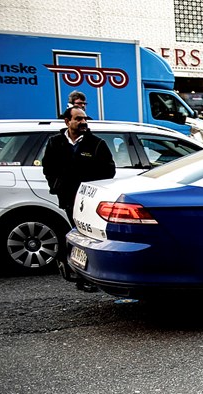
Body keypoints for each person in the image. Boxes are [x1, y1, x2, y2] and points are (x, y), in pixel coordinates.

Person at [42, 106, 115, 291]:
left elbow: (109, 171)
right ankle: (80, 274)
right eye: (78, 119)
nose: (83, 122)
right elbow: (48, 168)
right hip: (68, 198)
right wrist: (56, 186)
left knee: (88, 238)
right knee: (76, 236)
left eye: (84, 119)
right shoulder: (55, 142)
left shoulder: (96, 144)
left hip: (89, 201)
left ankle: (87, 277)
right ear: (67, 121)